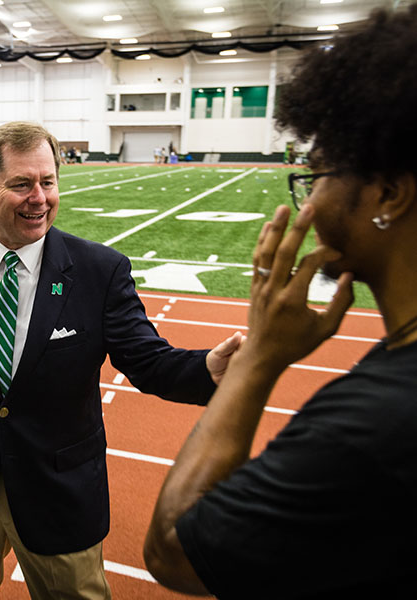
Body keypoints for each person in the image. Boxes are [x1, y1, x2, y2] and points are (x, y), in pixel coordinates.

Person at [144, 6, 417, 598]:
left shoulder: (379, 419)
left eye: (318, 174)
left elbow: (173, 548)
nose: (309, 197)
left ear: (390, 194)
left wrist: (260, 356)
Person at [0, 121, 240, 599]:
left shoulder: (99, 271)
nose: (39, 197)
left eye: (48, 182)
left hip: (56, 494)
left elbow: (147, 361)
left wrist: (208, 369)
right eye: (21, 184)